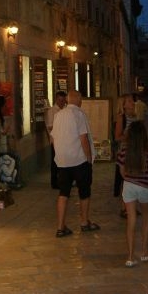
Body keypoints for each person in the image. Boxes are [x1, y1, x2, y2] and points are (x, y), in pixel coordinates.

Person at [50, 89, 99, 237]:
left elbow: (52, 138)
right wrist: (89, 158)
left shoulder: (58, 115)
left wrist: (60, 153)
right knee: (84, 191)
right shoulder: (79, 114)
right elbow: (83, 138)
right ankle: (84, 222)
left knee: (63, 193)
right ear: (77, 99)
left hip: (63, 162)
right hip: (79, 160)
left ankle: (60, 227)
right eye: (81, 98)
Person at [116, 121, 148, 267]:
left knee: (131, 220)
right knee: (146, 218)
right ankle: (144, 252)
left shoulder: (124, 152)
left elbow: (122, 172)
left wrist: (131, 180)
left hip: (129, 187)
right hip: (144, 187)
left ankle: (130, 257)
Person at [114, 93, 137, 218]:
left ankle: (130, 206)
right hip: (125, 152)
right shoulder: (121, 118)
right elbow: (117, 137)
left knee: (133, 179)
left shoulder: (134, 116)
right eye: (129, 101)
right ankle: (124, 208)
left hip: (134, 151)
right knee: (126, 180)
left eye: (132, 100)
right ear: (123, 105)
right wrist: (129, 137)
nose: (132, 102)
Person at [45, 91, 67, 189]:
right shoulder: (52, 111)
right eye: (60, 100)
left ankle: (62, 180)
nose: (62, 102)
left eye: (63, 100)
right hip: (56, 140)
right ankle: (54, 182)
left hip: (64, 140)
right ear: (56, 99)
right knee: (55, 162)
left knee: (63, 161)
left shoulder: (66, 110)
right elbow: (50, 126)